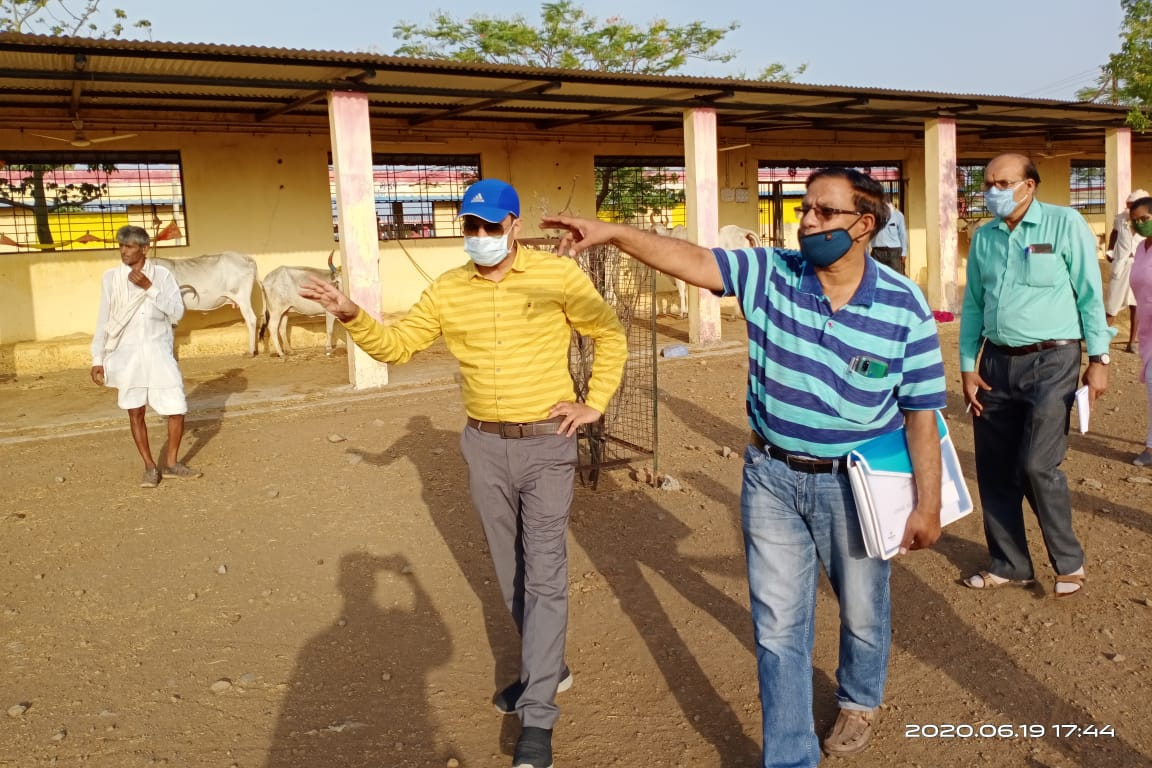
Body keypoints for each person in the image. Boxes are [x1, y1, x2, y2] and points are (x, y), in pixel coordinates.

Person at [543, 167, 948, 768]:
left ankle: (860, 698)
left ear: (864, 225)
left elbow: (920, 414)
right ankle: (790, 756)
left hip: (857, 483)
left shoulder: (903, 304)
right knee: (779, 628)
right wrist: (614, 233)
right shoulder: (773, 274)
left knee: (863, 606)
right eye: (804, 209)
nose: (807, 221)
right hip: (772, 478)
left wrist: (929, 504)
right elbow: (693, 259)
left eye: (824, 212)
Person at [300, 178, 627, 768]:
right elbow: (399, 347)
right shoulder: (448, 289)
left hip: (548, 443)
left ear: (514, 227)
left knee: (546, 571)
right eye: (470, 227)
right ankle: (544, 668)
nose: (479, 237)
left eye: (490, 226)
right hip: (483, 445)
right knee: (510, 572)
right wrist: (351, 313)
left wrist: (594, 403)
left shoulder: (557, 277)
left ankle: (538, 719)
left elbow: (608, 335)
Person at [959, 152, 1113, 598]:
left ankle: (1069, 562)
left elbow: (1088, 290)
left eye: (1002, 183)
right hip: (995, 364)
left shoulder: (1064, 224)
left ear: (1029, 186)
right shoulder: (984, 237)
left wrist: (1099, 360)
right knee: (994, 468)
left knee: (1037, 463)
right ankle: (1009, 563)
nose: (992, 191)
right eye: (987, 183)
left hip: (1053, 360)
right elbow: (972, 305)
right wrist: (968, 367)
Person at [90, 225, 201, 487]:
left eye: (129, 246)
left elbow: (177, 313)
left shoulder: (162, 276)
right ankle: (150, 467)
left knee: (176, 407)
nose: (123, 251)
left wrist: (150, 288)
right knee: (135, 411)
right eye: (121, 246)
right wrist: (97, 358)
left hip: (158, 352)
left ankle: (172, 463)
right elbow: (103, 319)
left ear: (144, 249)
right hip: (126, 355)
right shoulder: (111, 278)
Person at [1125, 196, 1152, 467]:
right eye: (1136, 221)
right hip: (1148, 331)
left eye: (1145, 218)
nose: (1141, 224)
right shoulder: (1143, 248)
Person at [1105, 189, 1148, 353]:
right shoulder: (1121, 218)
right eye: (1128, 205)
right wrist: (1110, 250)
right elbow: (1114, 234)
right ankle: (1103, 340)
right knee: (1112, 305)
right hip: (1121, 265)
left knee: (1136, 305)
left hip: (1140, 266)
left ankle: (1132, 342)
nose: (1129, 209)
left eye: (1133, 205)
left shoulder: (1147, 221)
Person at [869, 197, 908, 275]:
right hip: (877, 251)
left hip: (894, 251)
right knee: (877, 275)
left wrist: (904, 252)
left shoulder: (898, 215)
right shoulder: (875, 215)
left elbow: (902, 234)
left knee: (895, 276)